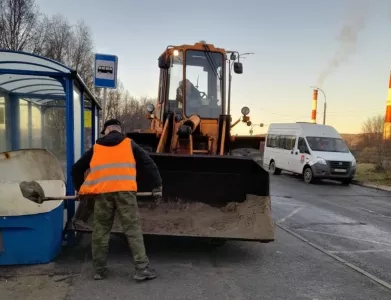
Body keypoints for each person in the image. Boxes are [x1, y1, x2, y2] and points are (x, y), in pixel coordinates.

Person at [71, 118, 162, 281]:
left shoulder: (96, 147)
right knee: (132, 230)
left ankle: (99, 270)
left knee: (101, 231)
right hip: (125, 193)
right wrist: (157, 186)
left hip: (103, 194)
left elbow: (77, 168)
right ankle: (141, 268)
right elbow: (149, 164)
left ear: (106, 130)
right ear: (119, 130)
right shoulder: (129, 144)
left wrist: (80, 190)